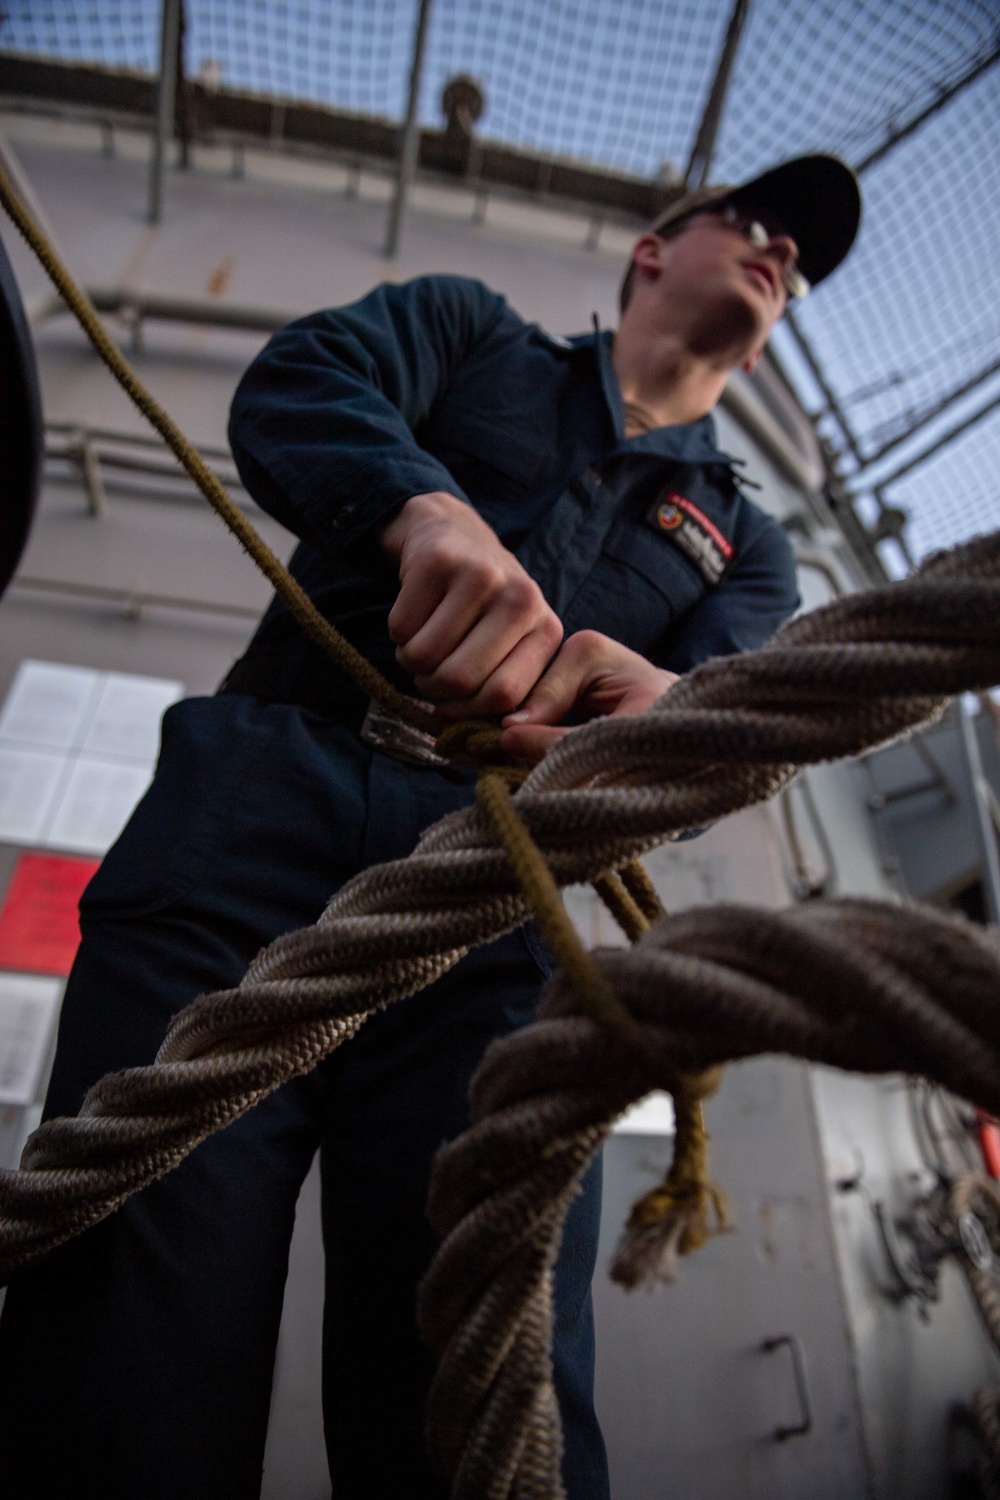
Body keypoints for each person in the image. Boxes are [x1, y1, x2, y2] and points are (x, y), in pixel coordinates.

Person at [0, 153, 860, 1499]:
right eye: (751, 224)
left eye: (798, 263)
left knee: (483, 1385)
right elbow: (298, 381)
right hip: (262, 815)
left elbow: (741, 703)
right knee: (130, 1336)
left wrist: (670, 716)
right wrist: (423, 508)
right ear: (653, 248)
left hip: (498, 900)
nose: (779, 256)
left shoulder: (748, 543)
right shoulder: (468, 333)